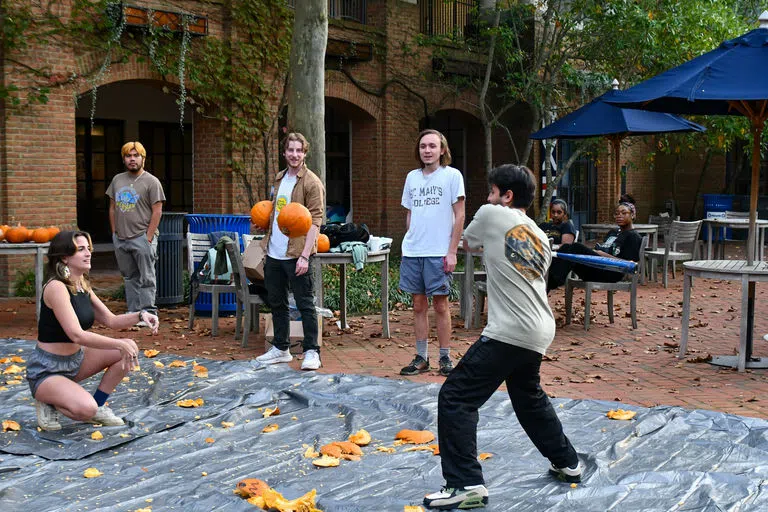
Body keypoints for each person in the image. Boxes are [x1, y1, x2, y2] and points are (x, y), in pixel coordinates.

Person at [423, 165, 581, 511]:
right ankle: (567, 461)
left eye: (492, 192)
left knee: (455, 397)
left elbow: (463, 241)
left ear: (506, 197)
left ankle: (465, 484)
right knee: (528, 397)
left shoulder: (493, 214)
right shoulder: (539, 235)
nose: (488, 198)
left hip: (511, 330)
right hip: (539, 327)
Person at [26, 231, 159, 431]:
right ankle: (48, 400)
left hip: (76, 362)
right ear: (64, 256)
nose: (88, 253)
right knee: (85, 410)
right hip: (48, 370)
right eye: (80, 249)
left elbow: (111, 321)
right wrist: (118, 342)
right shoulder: (56, 287)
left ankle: (99, 404)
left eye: (88, 248)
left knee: (127, 349)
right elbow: (76, 334)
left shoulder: (82, 285)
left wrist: (141, 315)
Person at [255, 132, 325, 371]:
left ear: (305, 153)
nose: (295, 155)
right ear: (284, 153)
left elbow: (315, 221)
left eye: (299, 151)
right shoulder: (279, 178)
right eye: (290, 150)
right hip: (274, 251)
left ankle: (311, 351)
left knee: (305, 304)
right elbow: (280, 213)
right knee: (277, 302)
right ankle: (281, 348)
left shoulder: (312, 182)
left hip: (297, 253)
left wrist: (305, 255)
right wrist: (264, 223)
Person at [399, 129, 465, 377]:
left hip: (439, 251)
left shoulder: (452, 176)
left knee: (440, 305)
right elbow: (409, 213)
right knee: (418, 304)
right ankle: (421, 357)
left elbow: (460, 215)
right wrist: (410, 241)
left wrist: (452, 251)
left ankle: (445, 357)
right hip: (413, 251)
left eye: (432, 146)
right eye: (423, 146)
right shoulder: (412, 178)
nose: (427, 150)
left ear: (442, 150)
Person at [106, 141, 165, 319]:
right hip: (121, 238)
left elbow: (157, 211)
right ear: (124, 159)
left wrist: (147, 237)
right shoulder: (117, 179)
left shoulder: (152, 182)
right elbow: (112, 207)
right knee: (130, 277)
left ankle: (149, 313)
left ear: (143, 158)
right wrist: (114, 232)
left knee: (147, 278)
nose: (132, 159)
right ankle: (133, 313)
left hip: (141, 237)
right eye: (128, 156)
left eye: (136, 155)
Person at [546, 201, 642, 292]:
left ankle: (549, 282)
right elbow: (603, 248)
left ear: (632, 215)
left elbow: (630, 264)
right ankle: (549, 281)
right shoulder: (613, 232)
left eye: (623, 213)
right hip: (596, 266)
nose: (619, 216)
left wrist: (602, 254)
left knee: (575, 247)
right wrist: (596, 252)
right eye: (617, 213)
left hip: (611, 272)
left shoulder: (633, 236)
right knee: (566, 248)